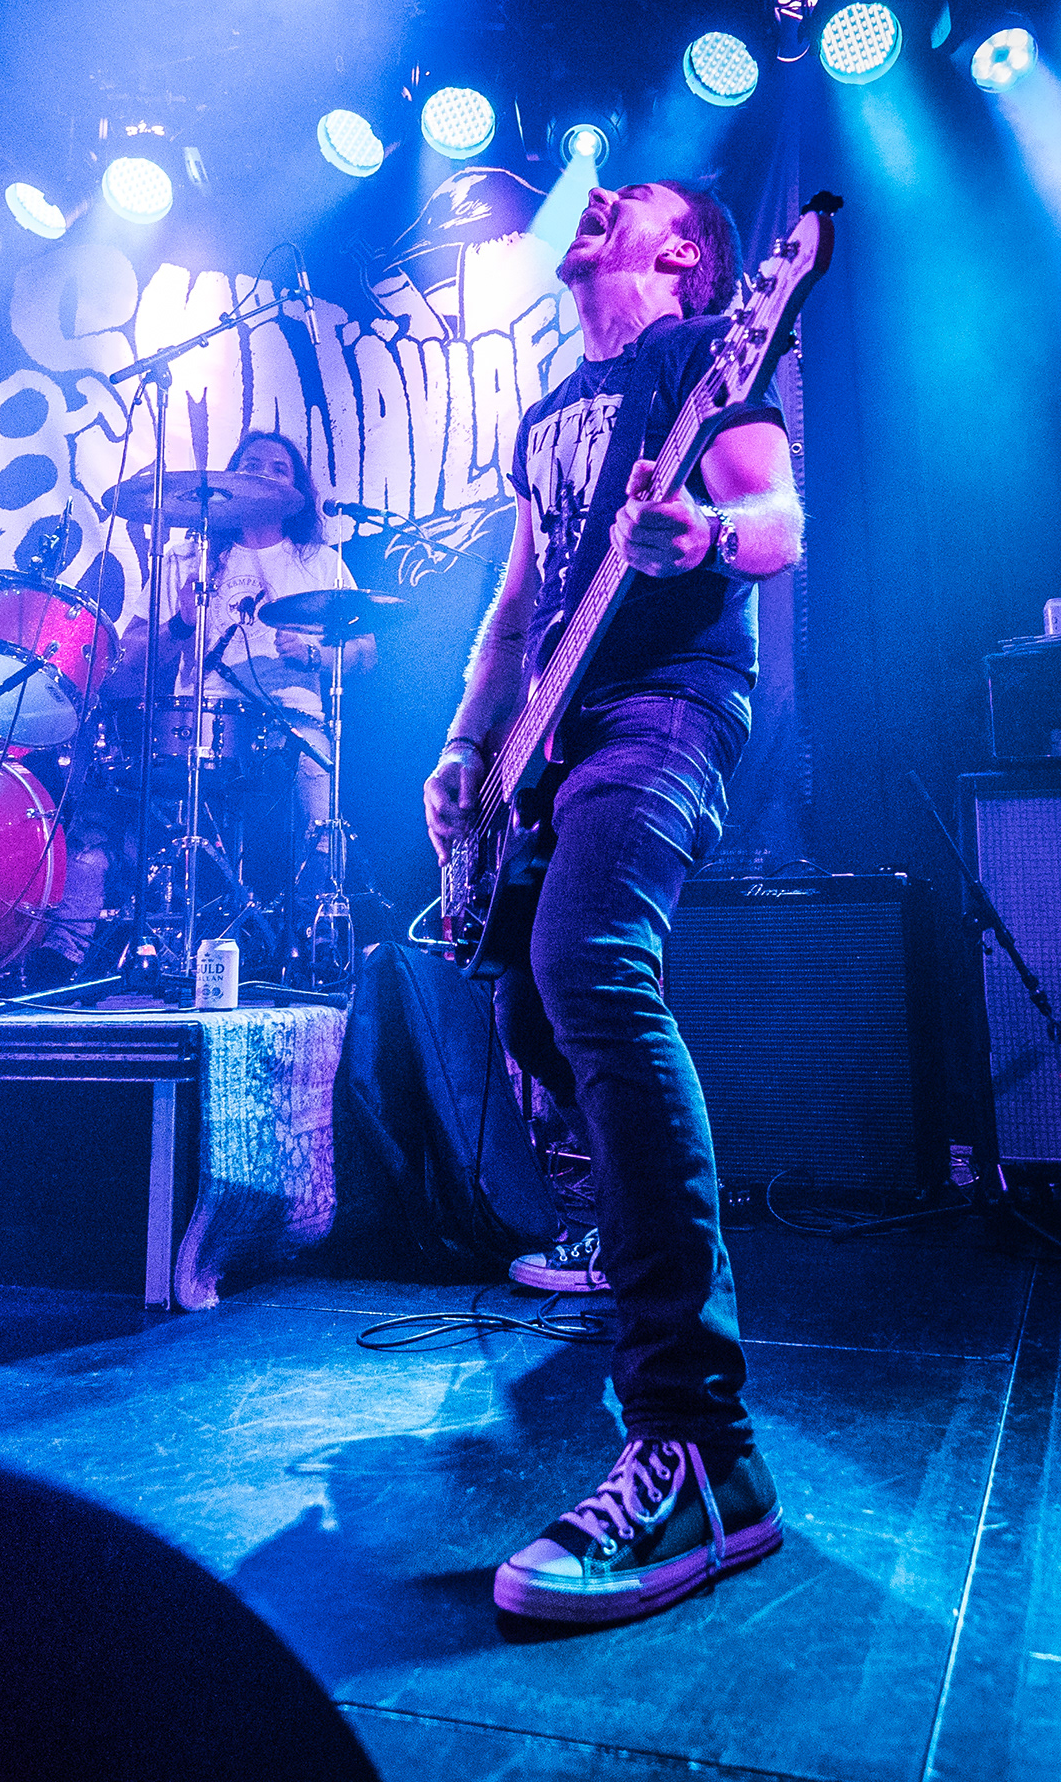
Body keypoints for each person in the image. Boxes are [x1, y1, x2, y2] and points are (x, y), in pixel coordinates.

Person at [422, 180, 803, 1625]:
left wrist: (700, 537)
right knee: (527, 995)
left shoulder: (704, 350)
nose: (592, 205)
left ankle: (701, 1451)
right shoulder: (547, 415)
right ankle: (609, 1224)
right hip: (553, 727)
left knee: (589, 968)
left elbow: (776, 516)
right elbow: (520, 605)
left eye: (627, 198)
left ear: (684, 252)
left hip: (669, 701)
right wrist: (469, 744)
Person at [39, 431, 372, 976]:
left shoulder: (319, 561)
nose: (263, 473)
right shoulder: (185, 558)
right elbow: (129, 661)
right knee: (103, 802)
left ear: (297, 490)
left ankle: (320, 941)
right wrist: (179, 624)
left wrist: (317, 655)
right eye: (251, 463)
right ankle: (67, 947)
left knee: (319, 804)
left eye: (279, 468)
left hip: (292, 715)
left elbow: (366, 650)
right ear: (227, 480)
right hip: (196, 717)